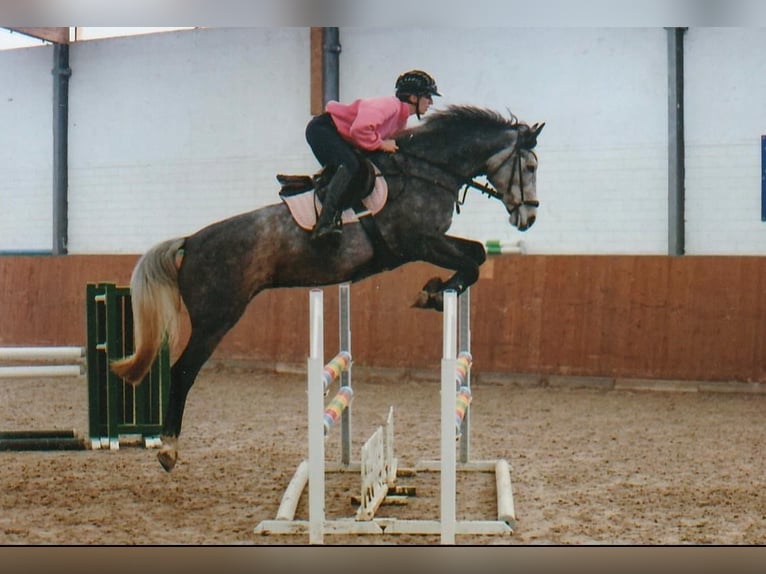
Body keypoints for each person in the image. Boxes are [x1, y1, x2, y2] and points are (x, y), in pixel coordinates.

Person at [305, 69, 441, 240]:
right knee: (351, 166)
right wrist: (381, 144)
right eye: (428, 96)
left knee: (361, 169)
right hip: (323, 130)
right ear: (413, 98)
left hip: (338, 135)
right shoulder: (389, 106)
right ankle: (324, 224)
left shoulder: (401, 120)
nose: (431, 101)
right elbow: (359, 129)